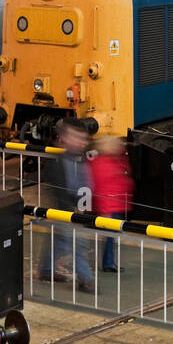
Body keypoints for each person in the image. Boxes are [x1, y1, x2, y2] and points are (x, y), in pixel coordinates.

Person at [38, 117, 96, 292]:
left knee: (58, 239)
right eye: (76, 138)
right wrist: (68, 209)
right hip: (64, 208)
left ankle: (47, 270)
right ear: (63, 139)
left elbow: (85, 182)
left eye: (83, 138)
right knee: (77, 243)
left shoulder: (83, 158)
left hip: (77, 205)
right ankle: (86, 279)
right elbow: (58, 188)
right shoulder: (56, 161)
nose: (81, 142)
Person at [90, 136, 134, 273]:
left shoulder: (115, 160)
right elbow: (101, 188)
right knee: (110, 236)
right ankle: (108, 263)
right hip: (110, 207)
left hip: (117, 204)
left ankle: (109, 262)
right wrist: (105, 209)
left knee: (112, 236)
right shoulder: (102, 163)